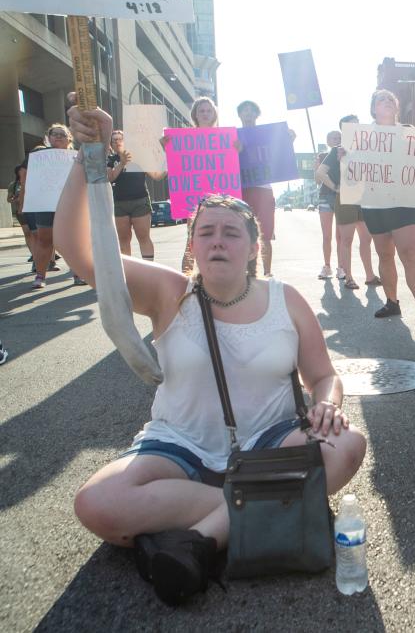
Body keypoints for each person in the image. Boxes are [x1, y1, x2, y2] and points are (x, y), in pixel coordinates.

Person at [59, 106, 367, 606]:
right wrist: (84, 159)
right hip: (179, 446)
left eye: (231, 233)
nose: (218, 240)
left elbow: (323, 374)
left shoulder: (285, 298)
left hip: (270, 443)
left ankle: (200, 537)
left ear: (252, 247)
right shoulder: (167, 292)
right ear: (192, 244)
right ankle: (278, 509)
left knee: (347, 445)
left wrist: (328, 402)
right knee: (95, 503)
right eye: (207, 232)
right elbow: (79, 253)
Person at [358, 89, 415, 321]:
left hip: (402, 201)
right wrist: (345, 157)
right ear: (374, 109)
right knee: (384, 254)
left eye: (390, 100)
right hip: (373, 203)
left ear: (397, 108)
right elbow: (353, 170)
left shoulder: (409, 133)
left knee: (409, 254)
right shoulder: (361, 137)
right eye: (380, 100)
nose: (386, 103)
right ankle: (392, 302)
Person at [315, 114, 378, 290]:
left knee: (366, 238)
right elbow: (320, 174)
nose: (355, 128)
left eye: (357, 125)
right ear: (343, 130)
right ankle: (349, 277)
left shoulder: (367, 148)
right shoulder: (337, 150)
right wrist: (335, 187)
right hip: (345, 198)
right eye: (350, 126)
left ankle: (370, 275)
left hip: (364, 198)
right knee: (347, 239)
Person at [22, 124, 73, 288]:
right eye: (54, 134)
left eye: (62, 134)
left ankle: (79, 273)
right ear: (48, 138)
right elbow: (24, 175)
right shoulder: (38, 155)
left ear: (69, 139)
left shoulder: (76, 157)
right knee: (44, 240)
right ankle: (40, 276)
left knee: (72, 241)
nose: (58, 136)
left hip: (70, 204)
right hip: (45, 204)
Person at [236, 100, 278, 277]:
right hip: (242, 189)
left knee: (265, 234)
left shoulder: (267, 134)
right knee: (244, 233)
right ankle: (248, 272)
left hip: (263, 188)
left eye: (252, 110)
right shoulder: (233, 136)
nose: (248, 113)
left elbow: (279, 149)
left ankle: (267, 273)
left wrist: (288, 137)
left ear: (257, 114)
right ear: (239, 115)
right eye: (244, 110)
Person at [180, 97, 221, 275]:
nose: (205, 114)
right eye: (201, 111)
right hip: (194, 197)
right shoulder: (184, 137)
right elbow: (177, 161)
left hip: (219, 197)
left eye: (208, 111)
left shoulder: (224, 137)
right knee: (192, 238)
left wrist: (237, 148)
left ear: (214, 114)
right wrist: (167, 145)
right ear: (195, 114)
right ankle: (186, 279)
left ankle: (213, 276)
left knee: (217, 237)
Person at [107, 129, 161, 262]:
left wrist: (167, 158)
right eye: (114, 140)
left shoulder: (139, 157)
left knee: (143, 236)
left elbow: (156, 176)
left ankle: (149, 269)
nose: (117, 142)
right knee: (123, 239)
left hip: (140, 201)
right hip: (119, 203)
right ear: (111, 144)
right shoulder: (110, 159)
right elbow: (110, 177)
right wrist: (122, 163)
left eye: (120, 139)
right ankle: (128, 272)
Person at [315, 129, 340, 280]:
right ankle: (327, 266)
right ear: (328, 141)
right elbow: (318, 180)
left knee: (341, 236)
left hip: (341, 196)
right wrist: (316, 166)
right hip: (325, 196)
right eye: (333, 138)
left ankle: (341, 267)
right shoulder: (323, 156)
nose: (337, 140)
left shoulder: (347, 154)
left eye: (339, 137)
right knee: (327, 235)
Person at [7, 164, 32, 260]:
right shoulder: (13, 185)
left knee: (35, 233)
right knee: (27, 233)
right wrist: (16, 199)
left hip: (32, 211)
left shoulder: (31, 182)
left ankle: (45, 254)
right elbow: (8, 200)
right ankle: (33, 254)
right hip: (20, 212)